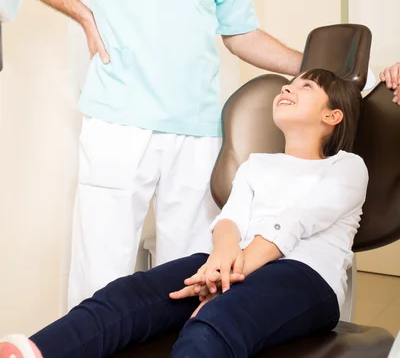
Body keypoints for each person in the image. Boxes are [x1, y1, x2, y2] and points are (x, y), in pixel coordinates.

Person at [21, 0, 302, 307]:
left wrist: (310, 66)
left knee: (188, 276)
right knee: (101, 275)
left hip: (196, 128)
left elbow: (240, 33)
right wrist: (82, 13)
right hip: (119, 119)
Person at [0, 68, 369, 358]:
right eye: (289, 83)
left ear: (332, 115)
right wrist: (220, 262)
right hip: (231, 264)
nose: (288, 88)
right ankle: (35, 351)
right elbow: (230, 219)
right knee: (131, 292)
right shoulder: (258, 164)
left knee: (216, 320)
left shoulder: (348, 167)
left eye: (306, 87)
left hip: (306, 277)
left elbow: (289, 224)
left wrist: (224, 280)